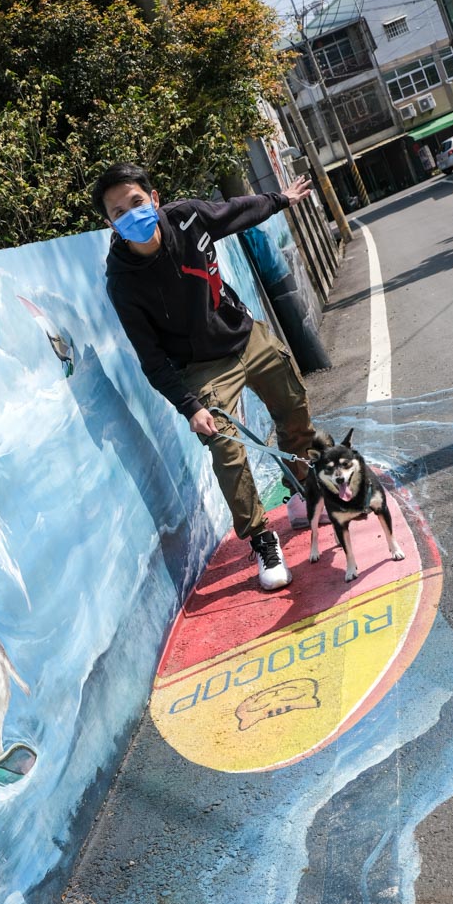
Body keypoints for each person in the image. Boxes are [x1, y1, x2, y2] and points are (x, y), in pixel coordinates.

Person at [91, 162, 320, 591]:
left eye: (136, 203)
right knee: (227, 453)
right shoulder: (122, 283)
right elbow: (152, 358)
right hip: (200, 367)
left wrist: (279, 200)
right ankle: (262, 539)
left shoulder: (186, 217)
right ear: (110, 224)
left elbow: (234, 212)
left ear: (154, 199)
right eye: (119, 213)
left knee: (293, 406)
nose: (131, 215)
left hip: (243, 333)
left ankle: (300, 489)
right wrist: (190, 407)